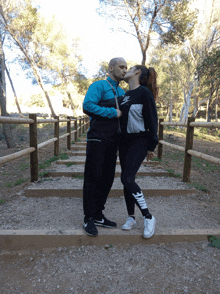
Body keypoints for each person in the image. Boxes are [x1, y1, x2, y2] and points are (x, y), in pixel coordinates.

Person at [82, 57, 127, 236]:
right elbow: (87, 106)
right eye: (121, 67)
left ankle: (99, 214)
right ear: (110, 68)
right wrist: (112, 112)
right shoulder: (99, 86)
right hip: (97, 139)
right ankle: (88, 218)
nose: (124, 70)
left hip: (113, 141)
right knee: (93, 177)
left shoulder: (122, 91)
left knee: (107, 178)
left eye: (126, 67)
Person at [118, 65, 158, 238]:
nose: (125, 70)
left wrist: (151, 146)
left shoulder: (144, 93)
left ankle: (148, 217)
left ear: (137, 73)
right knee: (128, 179)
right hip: (125, 143)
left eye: (130, 68)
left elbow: (152, 120)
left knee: (126, 178)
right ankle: (131, 217)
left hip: (140, 141)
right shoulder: (125, 95)